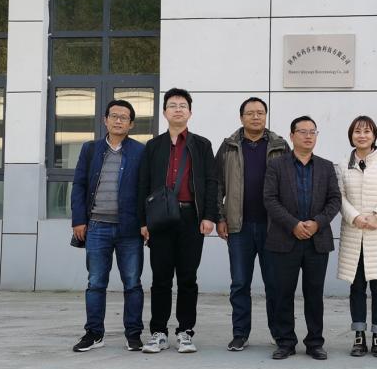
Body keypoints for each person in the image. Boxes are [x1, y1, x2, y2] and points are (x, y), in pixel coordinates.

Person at [137, 88, 218, 354]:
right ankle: (158, 332)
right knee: (160, 277)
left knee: (187, 278)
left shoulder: (202, 145)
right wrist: (144, 221)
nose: (178, 109)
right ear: (164, 112)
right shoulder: (153, 146)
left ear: (190, 112)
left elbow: (211, 182)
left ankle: (185, 331)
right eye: (172, 105)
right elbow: (143, 184)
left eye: (183, 105)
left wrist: (209, 216)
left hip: (191, 217)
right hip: (160, 218)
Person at [70, 99, 146, 352]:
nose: (118, 120)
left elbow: (145, 190)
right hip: (97, 227)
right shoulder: (90, 149)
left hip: (130, 229)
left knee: (132, 283)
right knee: (95, 283)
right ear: (105, 120)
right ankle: (94, 333)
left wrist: (145, 223)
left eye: (124, 117)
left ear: (131, 124)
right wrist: (79, 220)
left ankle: (133, 334)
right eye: (114, 116)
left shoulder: (140, 151)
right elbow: (79, 185)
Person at [214, 97, 290, 352]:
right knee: (239, 283)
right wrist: (220, 217)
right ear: (241, 117)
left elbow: (289, 185)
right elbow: (217, 185)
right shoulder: (228, 146)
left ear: (266, 116)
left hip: (273, 227)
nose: (256, 117)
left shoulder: (280, 146)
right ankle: (240, 333)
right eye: (250, 113)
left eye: (260, 113)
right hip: (239, 226)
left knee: (275, 284)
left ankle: (279, 333)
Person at [264, 116, 341, 361]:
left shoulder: (326, 167)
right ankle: (285, 342)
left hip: (317, 241)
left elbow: (335, 200)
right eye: (303, 131)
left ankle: (315, 342)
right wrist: (293, 224)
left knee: (314, 294)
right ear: (292, 135)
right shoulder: (276, 165)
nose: (308, 136)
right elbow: (270, 199)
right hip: (284, 238)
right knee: (283, 293)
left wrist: (317, 223)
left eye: (313, 132)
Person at [335, 115, 377, 358]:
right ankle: (358, 335)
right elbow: (339, 196)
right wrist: (355, 217)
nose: (362, 135)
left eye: (367, 131)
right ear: (351, 136)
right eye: (357, 131)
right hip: (353, 231)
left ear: (374, 135)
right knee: (356, 286)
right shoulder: (343, 164)